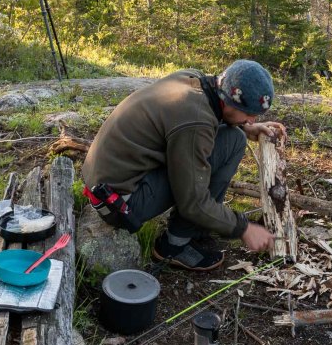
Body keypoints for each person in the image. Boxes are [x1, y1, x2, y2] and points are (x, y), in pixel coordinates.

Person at [81, 60, 285, 271]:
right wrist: (243, 229)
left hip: (106, 182)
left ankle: (199, 228)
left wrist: (243, 127)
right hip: (119, 204)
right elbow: (193, 202)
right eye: (248, 113)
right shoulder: (196, 121)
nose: (251, 120)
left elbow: (204, 118)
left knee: (234, 138)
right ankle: (174, 245)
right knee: (228, 148)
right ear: (228, 99)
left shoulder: (193, 80)